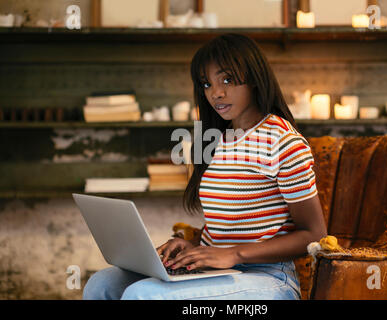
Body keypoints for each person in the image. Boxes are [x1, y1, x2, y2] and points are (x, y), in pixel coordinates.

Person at [83, 33, 327, 300]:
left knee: (143, 296)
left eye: (227, 79)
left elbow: (313, 235)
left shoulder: (283, 141)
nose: (216, 93)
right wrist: (193, 245)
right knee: (102, 284)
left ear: (255, 79)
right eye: (206, 84)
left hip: (269, 279)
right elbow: (228, 229)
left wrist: (234, 253)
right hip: (218, 270)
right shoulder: (216, 140)